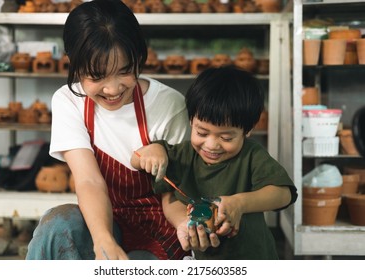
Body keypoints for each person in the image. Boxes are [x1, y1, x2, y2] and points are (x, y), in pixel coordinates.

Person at [26, 0, 198, 260]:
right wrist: (103, 239)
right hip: (101, 216)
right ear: (74, 63)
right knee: (58, 224)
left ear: (139, 57)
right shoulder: (69, 101)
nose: (113, 89)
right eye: (97, 76)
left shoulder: (168, 105)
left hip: (158, 227)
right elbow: (89, 181)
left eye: (125, 71)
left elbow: (175, 193)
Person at [131, 65, 298, 259]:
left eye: (226, 138)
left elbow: (284, 194)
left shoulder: (251, 155)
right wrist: (154, 150)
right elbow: (169, 197)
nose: (211, 145)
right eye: (201, 133)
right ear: (191, 120)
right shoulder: (182, 155)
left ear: (248, 130)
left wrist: (239, 203)